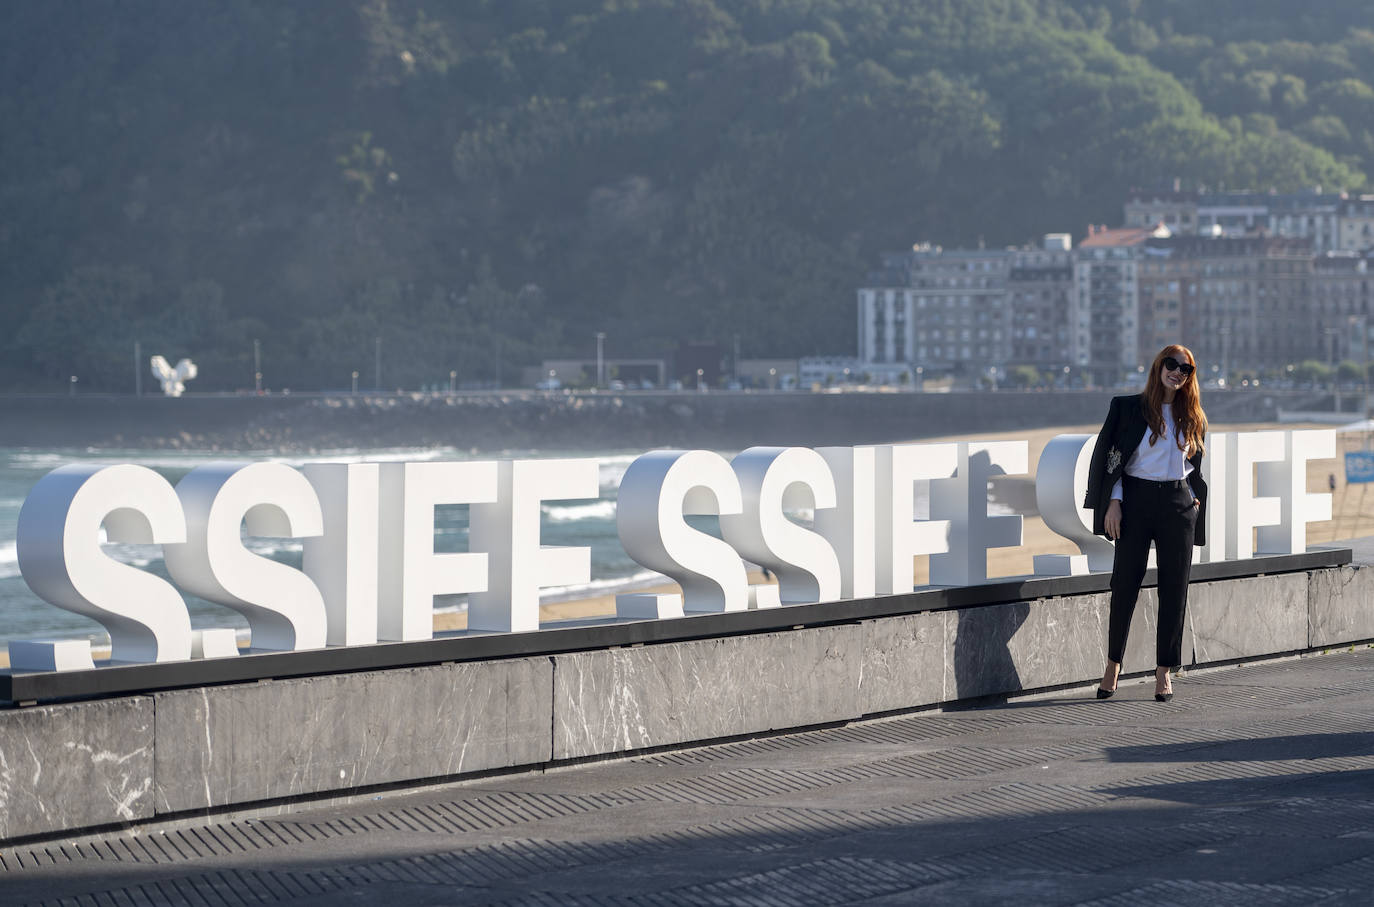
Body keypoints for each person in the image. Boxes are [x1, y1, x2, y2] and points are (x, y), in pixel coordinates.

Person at [1084, 344, 1208, 703]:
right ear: (1158, 366)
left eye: (1185, 369)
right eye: (1171, 364)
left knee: (1175, 590)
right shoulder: (1127, 407)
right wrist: (1113, 502)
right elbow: (1109, 458)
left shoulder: (1194, 414)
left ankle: (1164, 672)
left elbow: (1194, 465)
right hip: (1134, 502)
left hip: (1178, 505)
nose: (1177, 372)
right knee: (1124, 584)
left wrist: (1193, 499)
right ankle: (1113, 666)